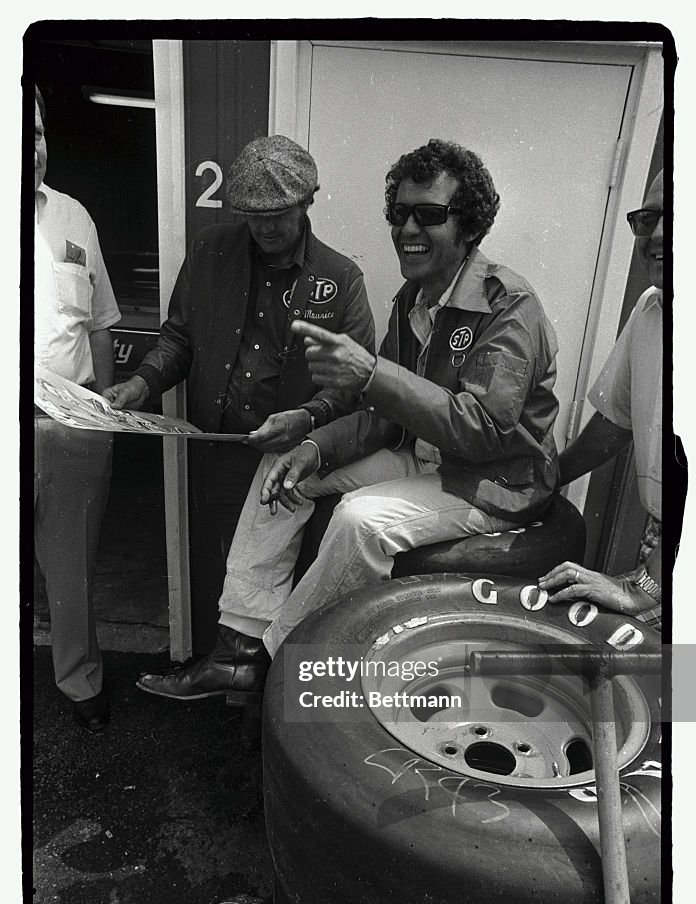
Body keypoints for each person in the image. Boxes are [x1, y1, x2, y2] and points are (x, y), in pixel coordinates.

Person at [137, 138, 560, 705]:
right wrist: (312, 449)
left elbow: (485, 430)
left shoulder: (510, 305)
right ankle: (236, 648)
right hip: (428, 460)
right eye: (399, 213)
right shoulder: (414, 297)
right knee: (281, 469)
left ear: (471, 225)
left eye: (429, 215)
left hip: (490, 482)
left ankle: (278, 659)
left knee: (361, 519)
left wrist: (374, 374)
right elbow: (384, 415)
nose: (408, 229)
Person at [103, 135, 375, 624]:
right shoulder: (210, 250)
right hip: (225, 447)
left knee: (289, 578)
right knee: (233, 573)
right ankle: (234, 683)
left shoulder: (342, 278)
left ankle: (265, 692)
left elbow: (354, 385)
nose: (266, 226)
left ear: (307, 201)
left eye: (279, 212)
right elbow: (178, 339)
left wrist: (308, 417)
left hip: (295, 459)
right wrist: (142, 384)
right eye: (253, 213)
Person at [538, 170, 664, 631]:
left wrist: (640, 588)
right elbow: (617, 419)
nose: (659, 234)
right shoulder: (653, 307)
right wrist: (549, 478)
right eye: (649, 217)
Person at [34, 85, 121, 733]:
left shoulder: (72, 217)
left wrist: (104, 417)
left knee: (70, 567)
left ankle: (79, 681)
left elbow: (99, 326)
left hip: (72, 430)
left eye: (36, 132)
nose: (30, 148)